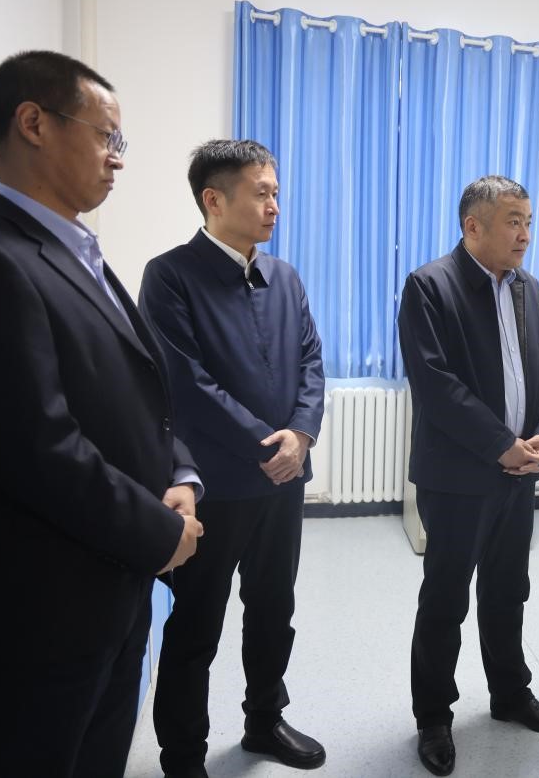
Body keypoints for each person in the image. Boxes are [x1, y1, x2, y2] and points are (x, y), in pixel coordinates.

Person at [0, 50, 204, 778]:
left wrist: (178, 473)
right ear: (34, 123)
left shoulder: (74, 248)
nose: (118, 158)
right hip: (49, 604)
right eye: (107, 136)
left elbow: (135, 390)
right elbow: (38, 445)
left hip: (114, 580)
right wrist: (159, 532)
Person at [139, 139, 326, 777]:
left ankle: (264, 721)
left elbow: (310, 360)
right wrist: (265, 444)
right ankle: (183, 755)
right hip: (212, 488)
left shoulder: (285, 277)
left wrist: (301, 435)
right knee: (196, 625)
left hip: (282, 482)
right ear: (213, 199)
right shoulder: (170, 276)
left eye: (276, 192)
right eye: (261, 193)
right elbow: (184, 382)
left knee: (274, 611)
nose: (275, 206)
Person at [397, 175, 539, 776]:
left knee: (507, 590)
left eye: (528, 221)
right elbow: (435, 384)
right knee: (445, 599)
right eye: (513, 221)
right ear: (474, 226)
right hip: (458, 478)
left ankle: (510, 694)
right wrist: (501, 446)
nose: (525, 234)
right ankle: (433, 717)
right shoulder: (430, 285)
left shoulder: (527, 287)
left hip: (520, 474)